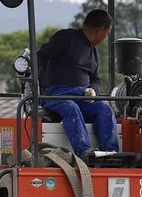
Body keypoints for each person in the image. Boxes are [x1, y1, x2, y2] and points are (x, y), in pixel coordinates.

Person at [37, 9, 121, 162]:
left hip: (83, 96)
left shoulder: (94, 53)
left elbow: (96, 80)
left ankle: (111, 153)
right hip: (57, 94)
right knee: (71, 108)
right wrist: (32, 77)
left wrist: (93, 91)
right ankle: (84, 151)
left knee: (105, 109)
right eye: (107, 34)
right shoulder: (66, 38)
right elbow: (42, 54)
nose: (106, 37)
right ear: (100, 30)